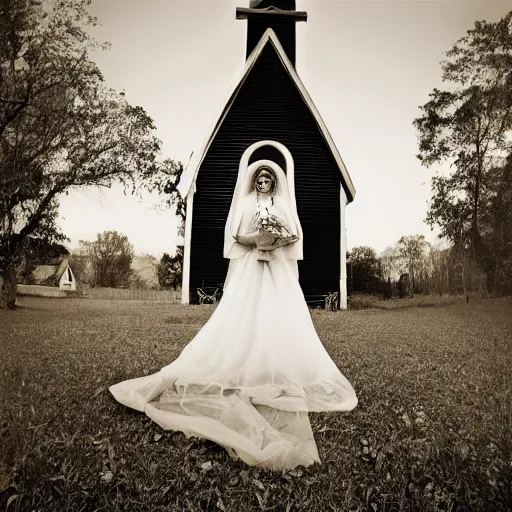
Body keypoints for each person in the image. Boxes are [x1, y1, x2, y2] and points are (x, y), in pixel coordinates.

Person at [109, 159, 357, 469]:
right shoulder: (244, 203)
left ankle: (274, 362)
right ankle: (241, 357)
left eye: (267, 179)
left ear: (274, 183)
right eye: (259, 178)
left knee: (278, 316)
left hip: (277, 267)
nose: (263, 182)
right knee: (245, 313)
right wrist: (255, 240)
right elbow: (236, 236)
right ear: (254, 181)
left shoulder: (281, 204)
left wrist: (277, 239)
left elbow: (294, 234)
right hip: (251, 267)